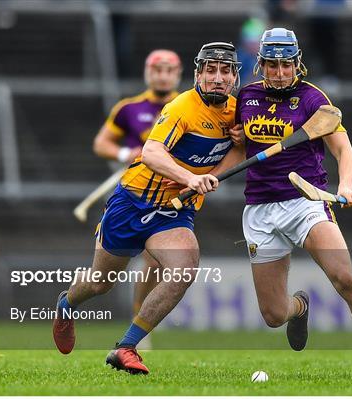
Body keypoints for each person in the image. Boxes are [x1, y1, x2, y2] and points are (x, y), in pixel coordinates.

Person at [53, 42, 244, 374]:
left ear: (234, 77)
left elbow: (237, 155)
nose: (217, 78)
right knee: (100, 282)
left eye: (225, 71)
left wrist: (212, 174)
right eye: (210, 70)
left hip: (174, 212)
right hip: (132, 202)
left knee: (184, 268)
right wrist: (190, 176)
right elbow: (153, 154)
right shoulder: (182, 106)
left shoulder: (237, 112)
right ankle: (66, 305)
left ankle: (127, 347)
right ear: (198, 74)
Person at [234, 28, 352, 377]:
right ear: (261, 64)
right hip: (260, 209)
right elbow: (235, 142)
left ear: (297, 63)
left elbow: (343, 150)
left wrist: (346, 185)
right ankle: (299, 307)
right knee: (272, 315)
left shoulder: (313, 99)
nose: (280, 71)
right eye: (272, 64)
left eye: (286, 64)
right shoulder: (246, 97)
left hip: (306, 201)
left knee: (343, 276)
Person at [93, 49, 182, 348]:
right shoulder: (128, 108)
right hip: (132, 192)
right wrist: (124, 153)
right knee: (104, 276)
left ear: (178, 74)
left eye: (169, 70)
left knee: (154, 260)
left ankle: (138, 321)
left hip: (170, 193)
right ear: (147, 73)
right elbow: (101, 143)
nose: (163, 75)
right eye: (157, 69)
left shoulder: (188, 106)